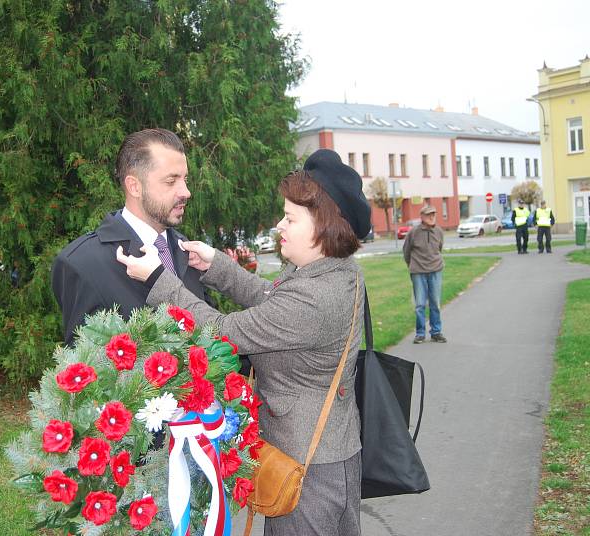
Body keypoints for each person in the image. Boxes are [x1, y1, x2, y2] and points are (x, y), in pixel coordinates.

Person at [117, 149, 371, 536]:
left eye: (290, 218)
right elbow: (274, 301)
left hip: (309, 473)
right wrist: (217, 265)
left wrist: (157, 280)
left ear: (324, 226)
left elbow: (223, 330)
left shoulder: (316, 297)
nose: (278, 225)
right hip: (326, 455)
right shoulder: (331, 273)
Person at [51, 128, 208, 345]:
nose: (186, 191)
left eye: (185, 179)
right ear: (134, 186)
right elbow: (85, 366)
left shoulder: (190, 252)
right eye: (171, 181)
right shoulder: (82, 263)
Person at [403, 205, 446, 344]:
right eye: (428, 215)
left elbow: (439, 248)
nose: (432, 217)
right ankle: (420, 333)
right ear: (421, 217)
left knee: (435, 303)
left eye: (433, 214)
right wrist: (412, 266)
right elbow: (406, 252)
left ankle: (436, 332)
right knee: (420, 304)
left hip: (435, 270)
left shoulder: (439, 231)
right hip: (418, 272)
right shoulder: (413, 232)